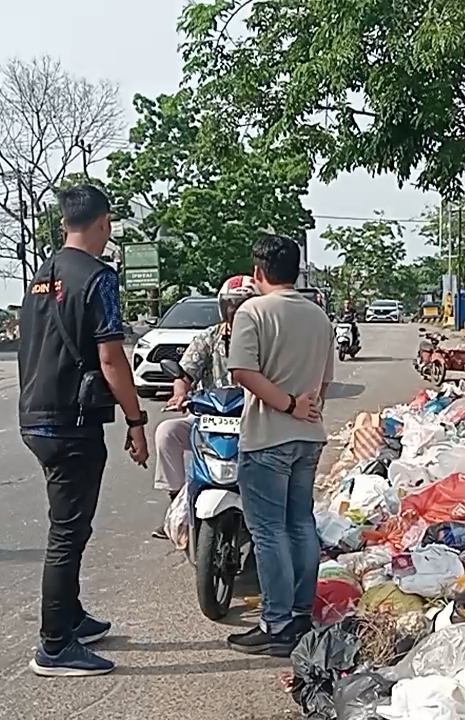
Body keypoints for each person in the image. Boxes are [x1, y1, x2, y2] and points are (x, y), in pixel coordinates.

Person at [17, 184, 151, 677]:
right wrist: (136, 420)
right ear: (104, 222)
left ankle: (71, 617)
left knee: (72, 527)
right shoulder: (97, 277)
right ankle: (54, 646)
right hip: (71, 423)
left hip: (36, 415)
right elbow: (111, 355)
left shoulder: (41, 274)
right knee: (68, 534)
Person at [225, 233, 333, 657]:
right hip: (309, 438)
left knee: (268, 532)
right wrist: (305, 405)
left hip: (269, 436)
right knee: (301, 525)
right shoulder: (319, 317)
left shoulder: (253, 311)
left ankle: (277, 623)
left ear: (258, 272)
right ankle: (301, 615)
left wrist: (287, 405)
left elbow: (242, 372)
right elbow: (324, 381)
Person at [150, 275, 259, 539]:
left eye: (244, 305)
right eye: (232, 305)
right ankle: (179, 504)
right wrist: (180, 395)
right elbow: (184, 373)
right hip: (209, 417)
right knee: (167, 432)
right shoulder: (209, 338)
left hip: (254, 419)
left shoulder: (267, 340)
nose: (237, 310)